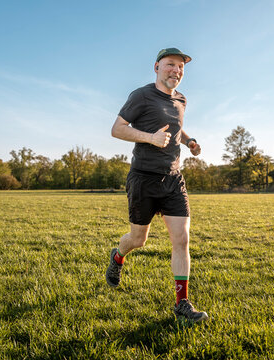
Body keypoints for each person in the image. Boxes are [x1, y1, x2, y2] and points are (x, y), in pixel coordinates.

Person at [106, 47, 208, 324]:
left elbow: (175, 126)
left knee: (182, 239)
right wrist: (149, 138)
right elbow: (117, 128)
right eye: (170, 65)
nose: (176, 70)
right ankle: (117, 256)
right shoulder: (140, 96)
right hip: (143, 179)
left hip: (173, 178)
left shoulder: (181, 99)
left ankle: (182, 303)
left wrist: (189, 141)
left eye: (181, 67)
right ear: (156, 67)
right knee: (138, 240)